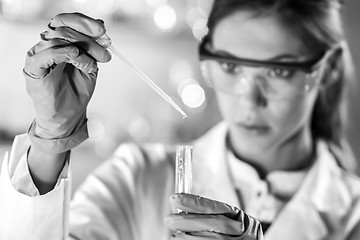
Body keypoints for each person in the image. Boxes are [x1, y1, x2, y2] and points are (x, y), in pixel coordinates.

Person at [1, 0, 360, 239]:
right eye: (231, 67)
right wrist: (50, 137)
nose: (249, 99)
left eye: (280, 71)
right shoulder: (138, 176)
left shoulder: (352, 217)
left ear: (326, 70)